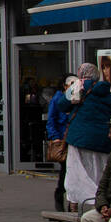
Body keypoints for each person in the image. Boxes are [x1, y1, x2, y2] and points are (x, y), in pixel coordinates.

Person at [55, 62, 111, 211]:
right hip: (103, 139)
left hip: (79, 138)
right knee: (100, 172)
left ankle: (75, 209)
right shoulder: (106, 91)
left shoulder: (78, 86)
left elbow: (62, 105)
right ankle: (100, 204)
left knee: (76, 174)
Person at [45, 75, 78, 210]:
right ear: (65, 86)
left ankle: (72, 203)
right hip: (63, 141)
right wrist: (55, 137)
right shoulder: (58, 99)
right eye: (71, 83)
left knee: (73, 173)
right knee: (66, 172)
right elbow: (51, 120)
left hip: (74, 140)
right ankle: (60, 197)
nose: (74, 86)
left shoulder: (77, 99)